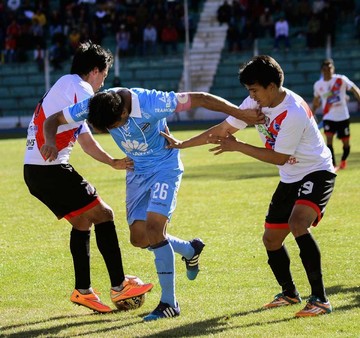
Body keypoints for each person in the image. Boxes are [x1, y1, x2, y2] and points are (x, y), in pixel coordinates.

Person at [39, 87, 265, 321]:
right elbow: (53, 119)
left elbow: (200, 98)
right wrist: (50, 142)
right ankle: (189, 250)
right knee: (138, 238)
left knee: (155, 229)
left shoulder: (152, 102)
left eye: (114, 126)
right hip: (136, 171)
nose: (115, 131)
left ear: (125, 113)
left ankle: (169, 303)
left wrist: (241, 113)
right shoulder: (97, 104)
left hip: (165, 168)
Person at [161, 55, 336, 317]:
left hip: (317, 171)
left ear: (272, 86)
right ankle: (289, 293)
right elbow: (222, 130)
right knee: (271, 239)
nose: (251, 97)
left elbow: (278, 157)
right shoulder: (255, 104)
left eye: (254, 90)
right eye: (249, 91)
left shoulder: (293, 111)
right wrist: (182, 144)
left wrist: (238, 146)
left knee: (298, 223)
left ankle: (320, 300)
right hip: (290, 176)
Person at [23, 41, 153, 314]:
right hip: (50, 169)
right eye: (104, 75)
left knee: (83, 222)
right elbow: (96, 121)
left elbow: (86, 140)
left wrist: (113, 162)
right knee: (104, 214)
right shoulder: (80, 88)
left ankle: (83, 291)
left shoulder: (68, 88)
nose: (103, 83)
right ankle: (120, 285)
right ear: (94, 70)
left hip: (37, 172)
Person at [313, 58, 360, 171]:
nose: (328, 71)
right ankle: (333, 165)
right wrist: (312, 112)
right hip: (328, 116)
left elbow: (354, 89)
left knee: (346, 144)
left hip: (343, 116)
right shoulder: (318, 85)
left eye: (330, 68)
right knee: (329, 139)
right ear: (322, 71)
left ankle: (343, 160)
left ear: (333, 69)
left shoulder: (341, 80)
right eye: (325, 69)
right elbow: (316, 100)